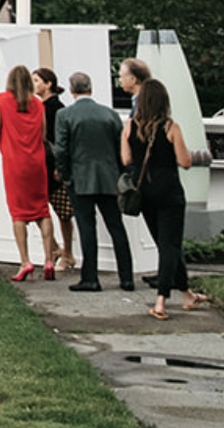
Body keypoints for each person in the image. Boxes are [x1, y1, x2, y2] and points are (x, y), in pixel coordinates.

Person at [121, 78, 209, 319]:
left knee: (165, 244)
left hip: (145, 192)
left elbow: (126, 159)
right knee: (170, 245)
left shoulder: (130, 126)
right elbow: (185, 162)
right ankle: (161, 300)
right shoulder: (170, 127)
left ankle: (187, 294)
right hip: (169, 191)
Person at [0, 65, 57, 279]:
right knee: (42, 211)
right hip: (37, 163)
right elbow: (44, 134)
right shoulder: (38, 104)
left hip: (15, 164)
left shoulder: (2, 101)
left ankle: (25, 261)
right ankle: (48, 260)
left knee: (18, 213)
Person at [53, 69, 135, 294]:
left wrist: (65, 174)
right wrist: (121, 174)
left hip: (80, 179)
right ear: (91, 88)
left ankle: (90, 277)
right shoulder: (109, 114)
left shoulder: (65, 116)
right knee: (116, 227)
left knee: (87, 228)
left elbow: (61, 149)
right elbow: (122, 147)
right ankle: (126, 277)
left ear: (71, 90)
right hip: (109, 178)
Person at [35, 68, 77, 274]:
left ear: (48, 83)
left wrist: (60, 166)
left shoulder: (55, 109)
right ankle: (56, 249)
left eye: (37, 80)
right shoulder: (39, 107)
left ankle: (67, 253)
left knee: (63, 212)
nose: (33, 84)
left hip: (52, 164)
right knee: (39, 210)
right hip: (42, 163)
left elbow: (59, 141)